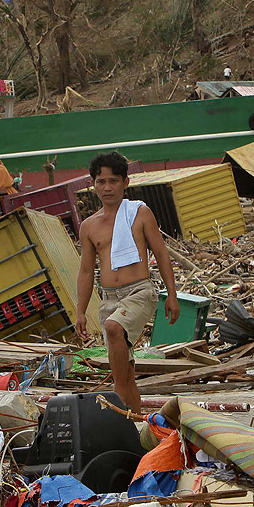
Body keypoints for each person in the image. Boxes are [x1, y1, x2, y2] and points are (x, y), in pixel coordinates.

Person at [76, 151, 179, 413]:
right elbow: (87, 271)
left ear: (125, 183)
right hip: (109, 298)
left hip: (139, 292)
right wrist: (80, 311)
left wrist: (172, 295)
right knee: (125, 366)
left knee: (113, 328)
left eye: (113, 181)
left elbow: (161, 253)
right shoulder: (88, 226)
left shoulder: (139, 213)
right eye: (101, 181)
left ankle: (118, 397)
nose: (107, 187)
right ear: (94, 184)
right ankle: (135, 419)